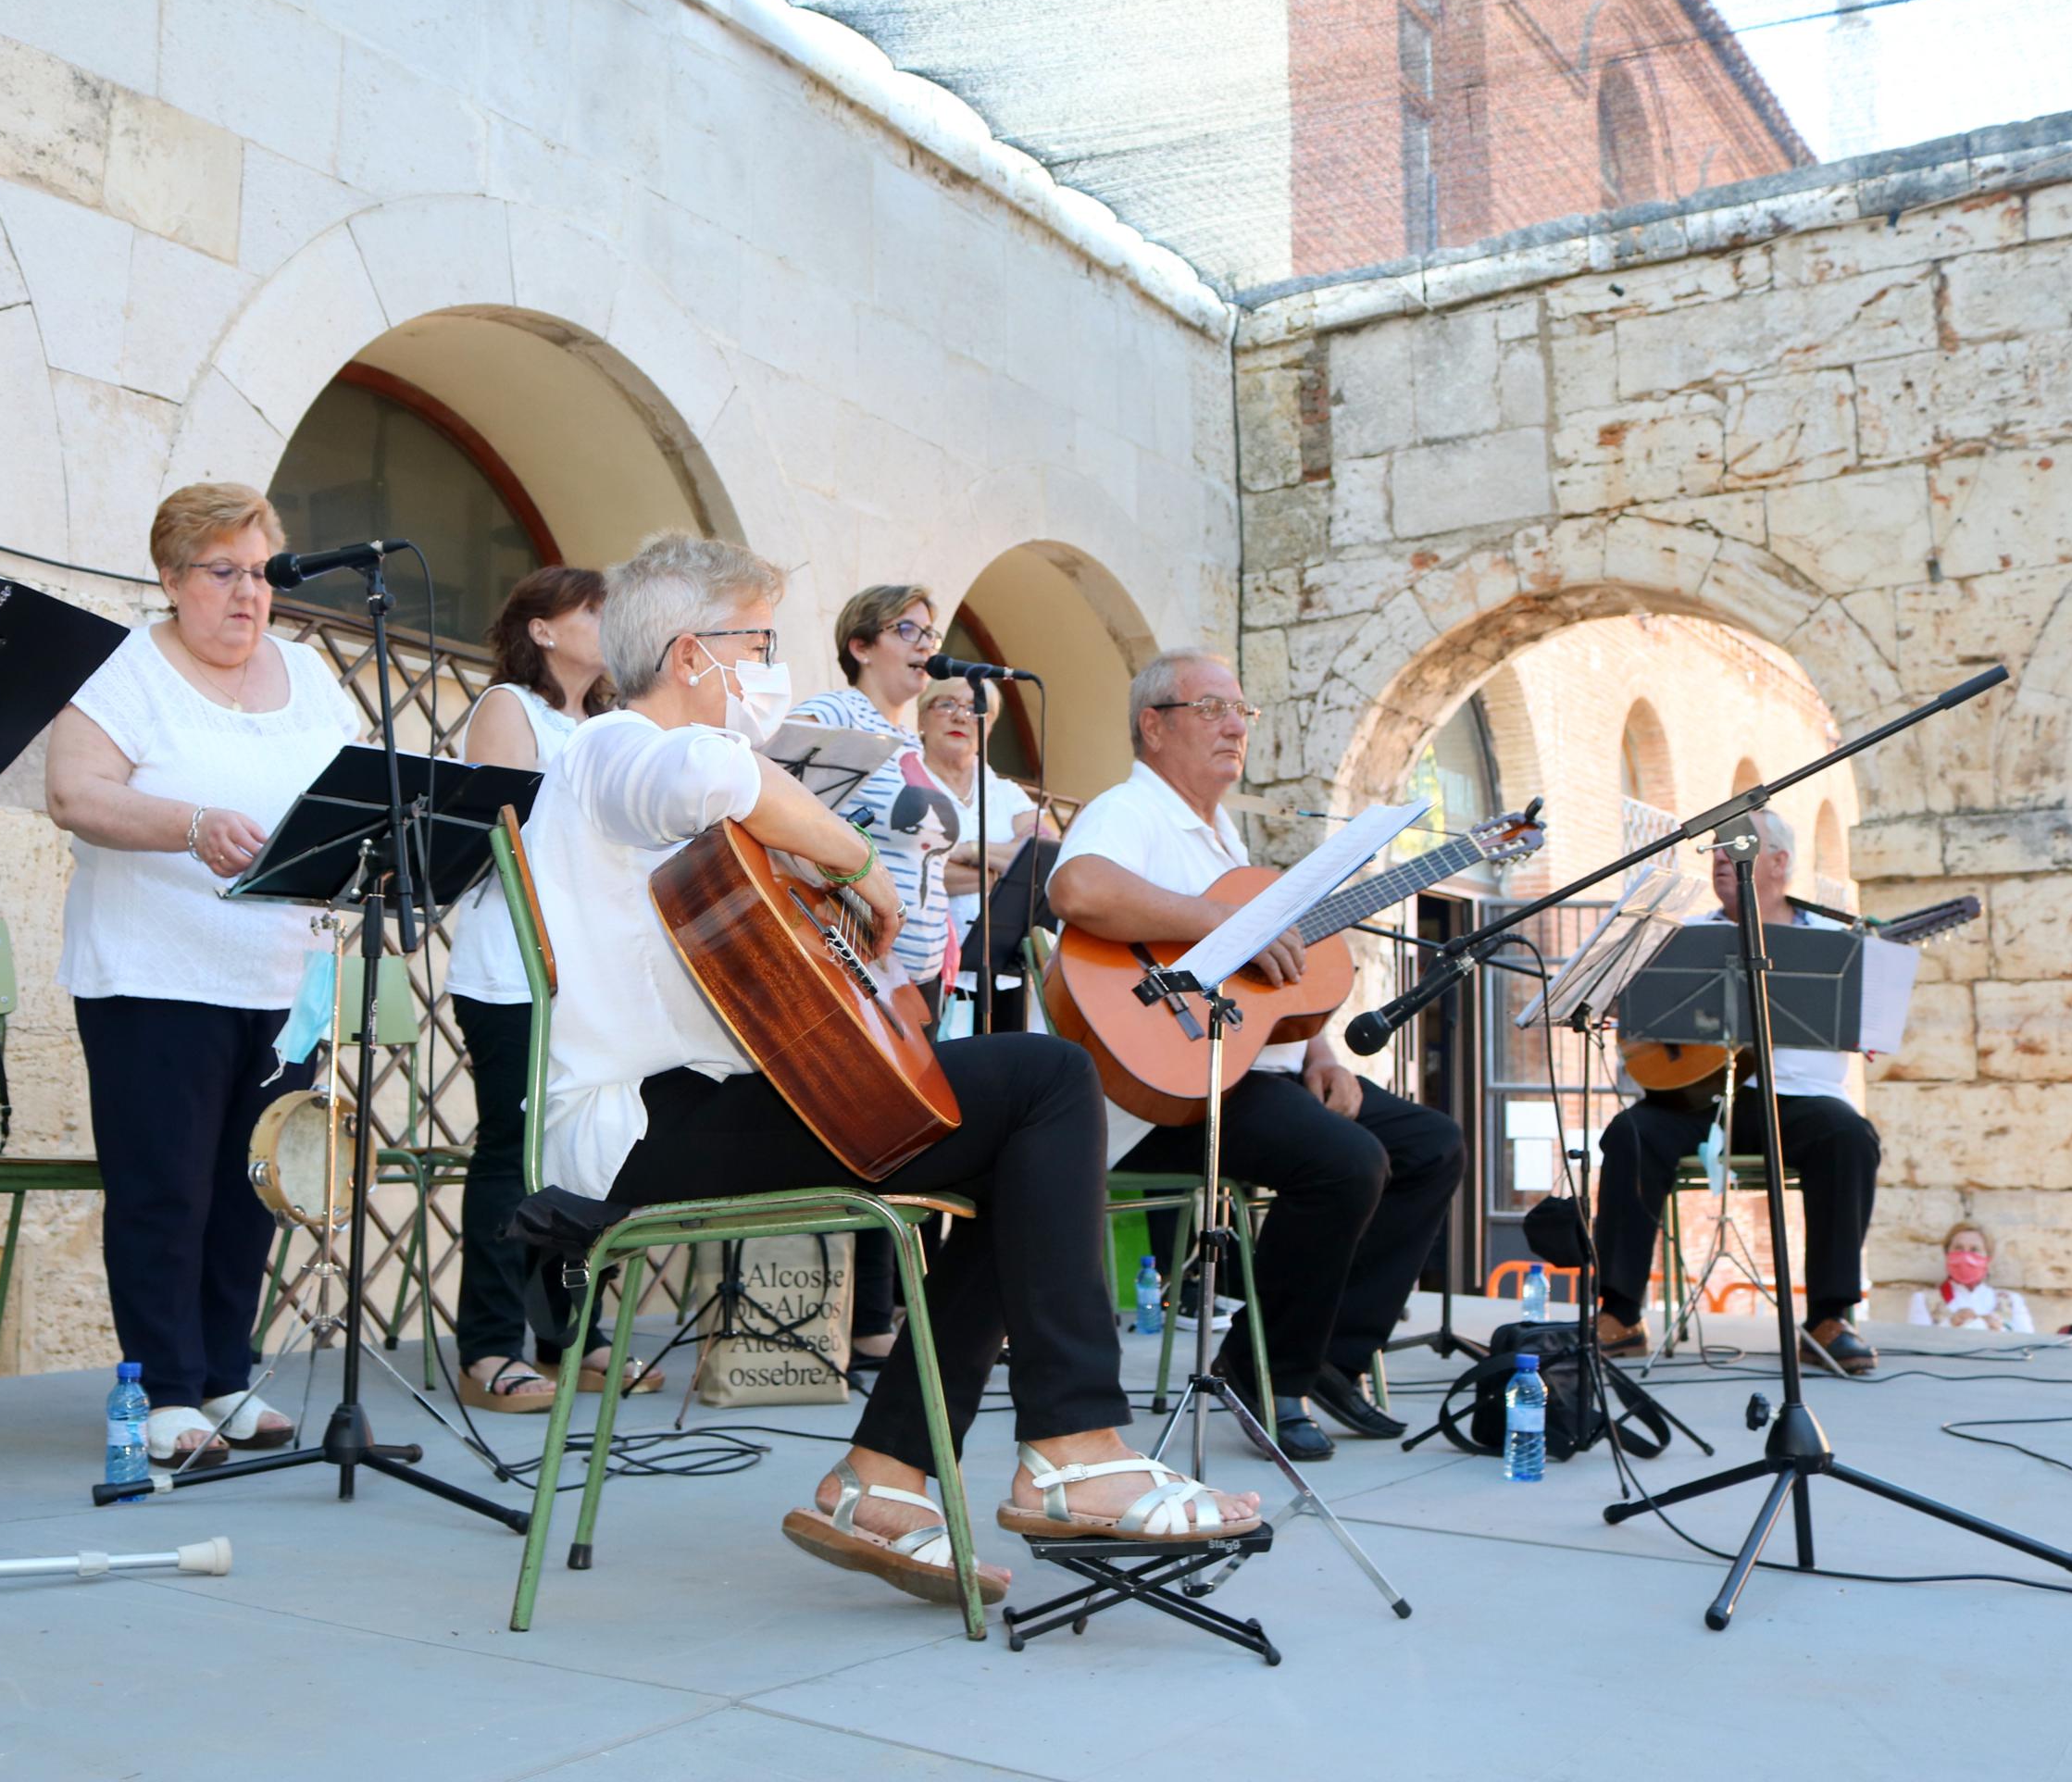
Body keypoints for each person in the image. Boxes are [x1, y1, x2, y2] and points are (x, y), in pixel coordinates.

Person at [527, 530, 1259, 1606]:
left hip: (705, 1105)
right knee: (1050, 1078)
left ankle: (885, 1476)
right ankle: (1072, 1445)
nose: (773, 665)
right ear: (692, 656)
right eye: (758, 640)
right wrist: (861, 864)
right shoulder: (612, 751)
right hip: (640, 1130)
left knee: (1014, 1150)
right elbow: (707, 771)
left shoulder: (659, 790)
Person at [1045, 650, 1466, 1461]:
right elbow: (1079, 894)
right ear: (1154, 724)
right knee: (1346, 1163)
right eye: (1212, 709)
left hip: (1252, 1068)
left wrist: (1320, 1051)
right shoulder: (1128, 809)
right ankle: (1262, 1372)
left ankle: (1334, 1355)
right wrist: (1213, 921)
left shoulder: (1223, 836)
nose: (1236, 726)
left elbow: (1268, 972)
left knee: (1431, 1146)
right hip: (1166, 1084)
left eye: (1243, 711)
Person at [46, 483, 367, 1466]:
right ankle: (164, 1387)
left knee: (254, 1184)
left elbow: (356, 786)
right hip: (157, 972)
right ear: (172, 577)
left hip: (287, 977)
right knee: (165, 1187)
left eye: (262, 573)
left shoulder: (310, 672)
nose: (247, 594)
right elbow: (73, 791)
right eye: (223, 572)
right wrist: (190, 825)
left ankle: (228, 1373)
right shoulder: (127, 666)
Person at [443, 565, 661, 1414]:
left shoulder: (611, 724)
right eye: (595, 611)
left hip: (595, 971)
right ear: (541, 628)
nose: (612, 625)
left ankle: (570, 1332)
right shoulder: (510, 708)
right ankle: (490, 1345)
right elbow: (507, 835)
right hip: (515, 965)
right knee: (514, 1152)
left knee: (587, 1154)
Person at [1591, 808, 1885, 1373]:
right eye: (1718, 850)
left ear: (1780, 862)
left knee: (1850, 1137)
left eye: (1738, 848)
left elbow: (1870, 1024)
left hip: (1798, 1099)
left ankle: (1828, 1317)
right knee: (1630, 1132)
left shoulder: (1833, 940)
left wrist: (1863, 1022)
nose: (1722, 858)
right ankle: (1621, 1312)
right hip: (1697, 1096)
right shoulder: (1687, 936)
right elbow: (1639, 1017)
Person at [787, 585, 960, 1361]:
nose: (925, 644)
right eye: (907, 630)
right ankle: (858, 1322)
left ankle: (877, 1317)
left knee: (904, 1140)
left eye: (931, 631)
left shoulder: (912, 744)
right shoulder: (834, 716)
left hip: (918, 975)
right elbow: (787, 811)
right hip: (857, 961)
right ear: (861, 644)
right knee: (869, 1132)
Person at [916, 675, 1055, 1032]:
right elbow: (916, 869)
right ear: (921, 718)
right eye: (946, 703)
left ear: (988, 726)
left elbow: (1043, 857)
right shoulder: (906, 785)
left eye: (976, 710)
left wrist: (967, 850)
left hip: (1005, 974)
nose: (961, 716)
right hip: (926, 972)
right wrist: (1008, 875)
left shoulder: (1008, 794)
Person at [1907, 1223, 2035, 1332]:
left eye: (1974, 1249)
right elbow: (1917, 1344)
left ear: (1988, 1258)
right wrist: (1949, 1325)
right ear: (1947, 1254)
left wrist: (2000, 1330)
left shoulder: (2012, 1301)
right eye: (1959, 1248)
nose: (1965, 1256)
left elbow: (2029, 1346)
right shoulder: (1924, 1300)